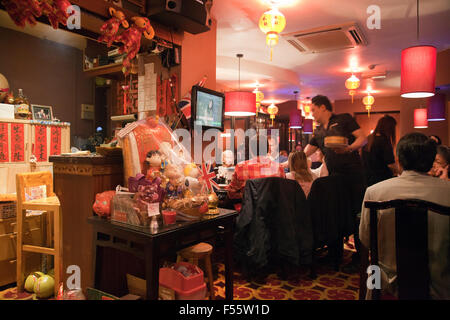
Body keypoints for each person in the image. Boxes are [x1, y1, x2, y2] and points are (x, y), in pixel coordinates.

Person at [359, 132, 450, 299]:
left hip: (385, 285)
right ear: (431, 161)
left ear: (399, 161)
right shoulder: (447, 192)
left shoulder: (374, 192)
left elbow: (365, 239)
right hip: (439, 287)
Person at [303, 95, 367, 263]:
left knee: (356, 215)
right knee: (336, 214)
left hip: (353, 176)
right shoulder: (318, 131)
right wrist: (290, 161)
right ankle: (334, 255)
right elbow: (305, 153)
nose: (312, 114)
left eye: (314, 110)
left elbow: (363, 137)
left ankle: (360, 258)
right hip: (334, 178)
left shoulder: (343, 119)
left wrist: (350, 149)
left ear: (323, 107)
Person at [227, 133, 285, 201]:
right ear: (267, 149)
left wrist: (248, 196)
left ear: (251, 150)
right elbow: (282, 194)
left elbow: (231, 193)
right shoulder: (279, 168)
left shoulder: (241, 167)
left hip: (248, 210)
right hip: (273, 210)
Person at [362, 115, 399, 186]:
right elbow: (390, 164)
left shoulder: (369, 138)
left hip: (368, 179)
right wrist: (401, 172)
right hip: (382, 179)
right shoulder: (384, 141)